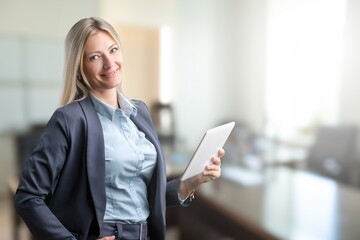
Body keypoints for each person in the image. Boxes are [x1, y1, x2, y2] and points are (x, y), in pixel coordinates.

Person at [14, 17, 224, 240]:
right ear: (79, 68)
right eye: (95, 57)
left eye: (113, 50)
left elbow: (143, 196)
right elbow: (28, 197)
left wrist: (191, 182)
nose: (109, 63)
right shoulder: (69, 119)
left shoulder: (139, 111)